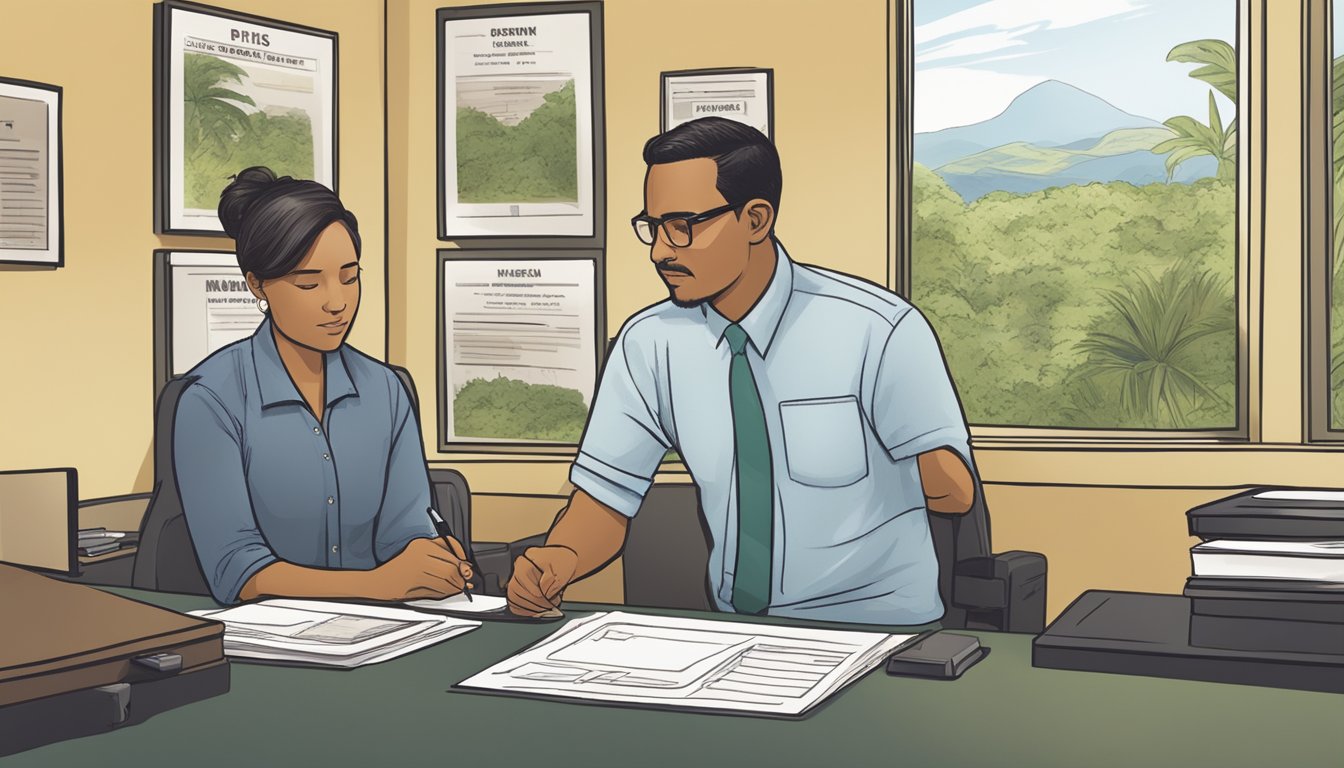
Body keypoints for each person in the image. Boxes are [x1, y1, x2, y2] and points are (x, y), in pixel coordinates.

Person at [507, 117, 976, 625]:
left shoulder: (879, 330)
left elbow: (955, 493)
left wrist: (905, 442)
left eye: (682, 226)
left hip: (877, 631)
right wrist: (562, 559)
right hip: (733, 630)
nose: (660, 250)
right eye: (653, 226)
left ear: (755, 220)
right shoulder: (648, 343)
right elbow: (604, 498)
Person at [175, 166, 473, 606]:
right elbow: (236, 570)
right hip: (267, 642)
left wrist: (427, 558)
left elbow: (406, 530)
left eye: (350, 277)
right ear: (257, 283)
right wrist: (377, 585)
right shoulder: (212, 399)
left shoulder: (386, 390)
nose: (337, 302)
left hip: (383, 631)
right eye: (308, 283)